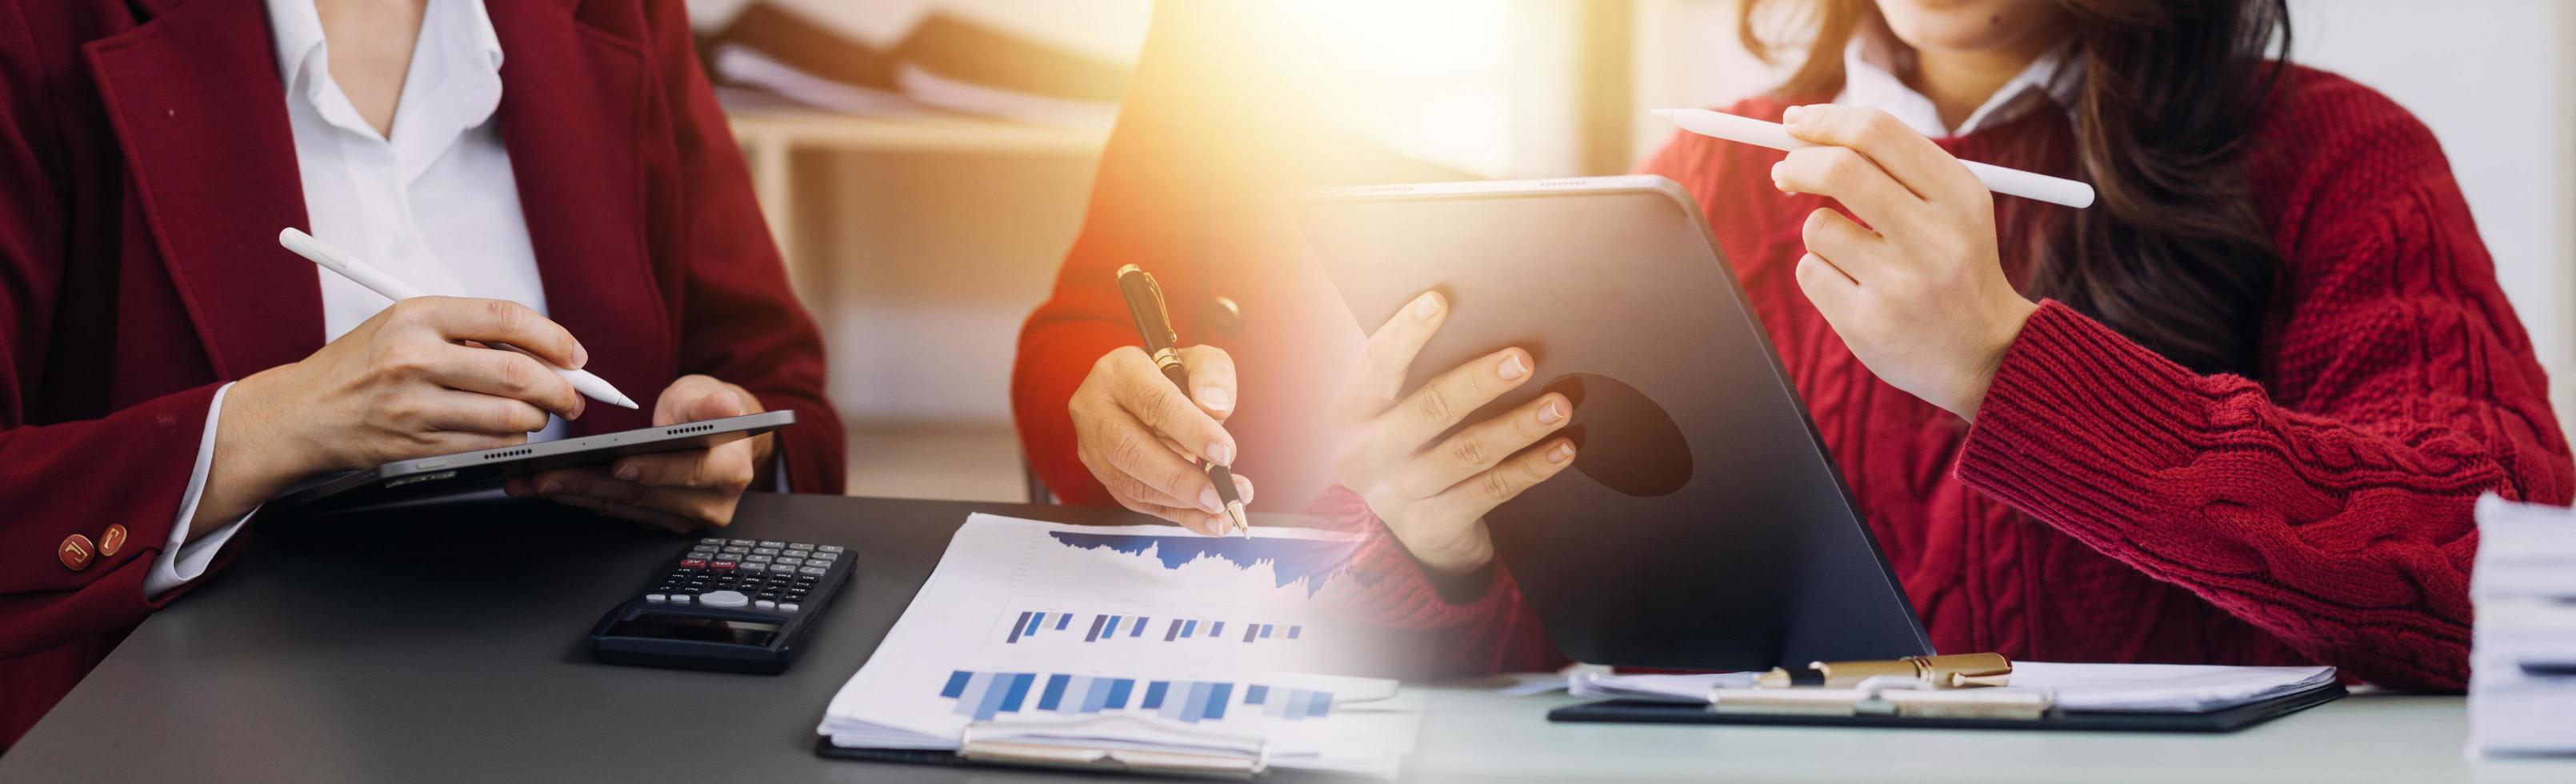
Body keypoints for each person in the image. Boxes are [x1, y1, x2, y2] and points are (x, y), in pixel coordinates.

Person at [1014, 0, 2573, 689]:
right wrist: (1435, 546)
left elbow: (2498, 575)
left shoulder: (2333, 158)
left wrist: (2000, 364)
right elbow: (1564, 644)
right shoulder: (1714, 171)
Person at [0, 0, 844, 745]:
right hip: (202, 727)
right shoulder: (41, 23)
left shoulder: (618, 11)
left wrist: (728, 443)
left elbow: (781, 389)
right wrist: (269, 424)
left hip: (612, 709)